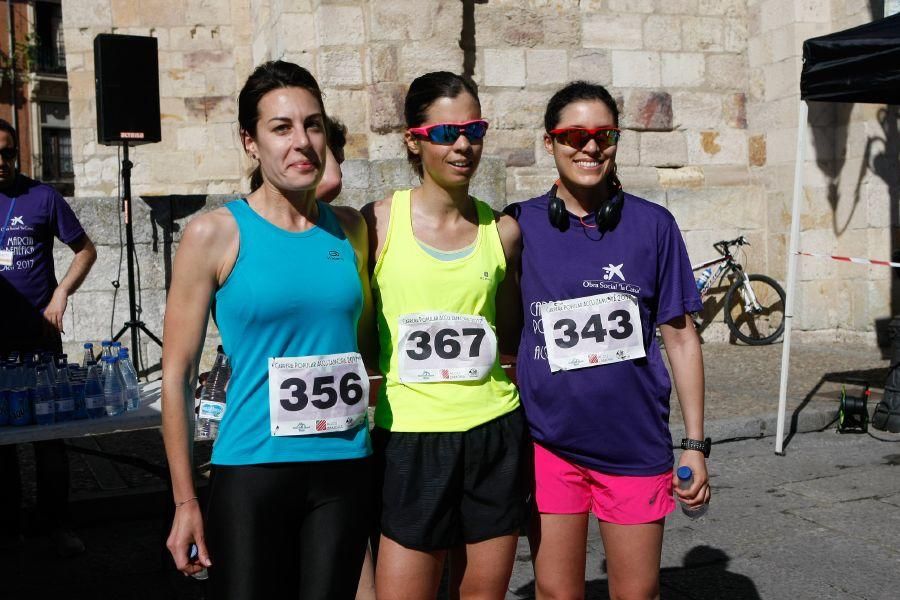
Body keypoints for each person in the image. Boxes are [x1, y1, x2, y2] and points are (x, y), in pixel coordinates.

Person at [162, 60, 375, 599]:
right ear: (250, 142)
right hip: (253, 469)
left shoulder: (350, 229)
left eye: (313, 124)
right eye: (281, 128)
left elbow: (367, 346)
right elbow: (178, 375)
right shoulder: (214, 233)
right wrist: (185, 501)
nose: (301, 142)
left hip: (343, 469)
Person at [505, 81, 710, 600]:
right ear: (549, 143)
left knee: (636, 594)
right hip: (548, 443)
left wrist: (695, 444)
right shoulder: (518, 226)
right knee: (555, 593)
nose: (590, 146)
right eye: (574, 134)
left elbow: (681, 339)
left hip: (633, 444)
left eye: (604, 134)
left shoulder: (654, 226)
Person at [362, 71, 527, 600]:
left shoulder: (501, 230)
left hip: (494, 432)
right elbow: (362, 336)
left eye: (474, 130)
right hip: (411, 439)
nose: (463, 145)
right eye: (445, 133)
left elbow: (509, 335)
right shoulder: (377, 224)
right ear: (413, 139)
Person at [0, 118, 97, 556]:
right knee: (2, 439)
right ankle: (9, 524)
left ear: (16, 152)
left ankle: (55, 522)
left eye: (6, 152)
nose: (0, 161)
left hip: (40, 340)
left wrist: (60, 294)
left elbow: (85, 250)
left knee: (49, 435)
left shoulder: (43, 196)